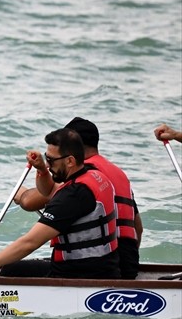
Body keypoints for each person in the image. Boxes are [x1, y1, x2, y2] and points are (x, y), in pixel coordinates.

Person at [0, 127, 118, 279]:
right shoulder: (95, 174)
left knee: (12, 270)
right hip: (105, 266)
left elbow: (30, 242)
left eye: (51, 160)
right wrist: (42, 169)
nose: (49, 165)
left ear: (70, 161)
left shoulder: (72, 196)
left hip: (78, 274)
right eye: (46, 158)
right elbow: (48, 190)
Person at [14, 117, 141, 278]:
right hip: (128, 262)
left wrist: (20, 194)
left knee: (13, 269)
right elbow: (138, 228)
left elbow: (31, 201)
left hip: (99, 267)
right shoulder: (118, 174)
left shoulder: (83, 178)